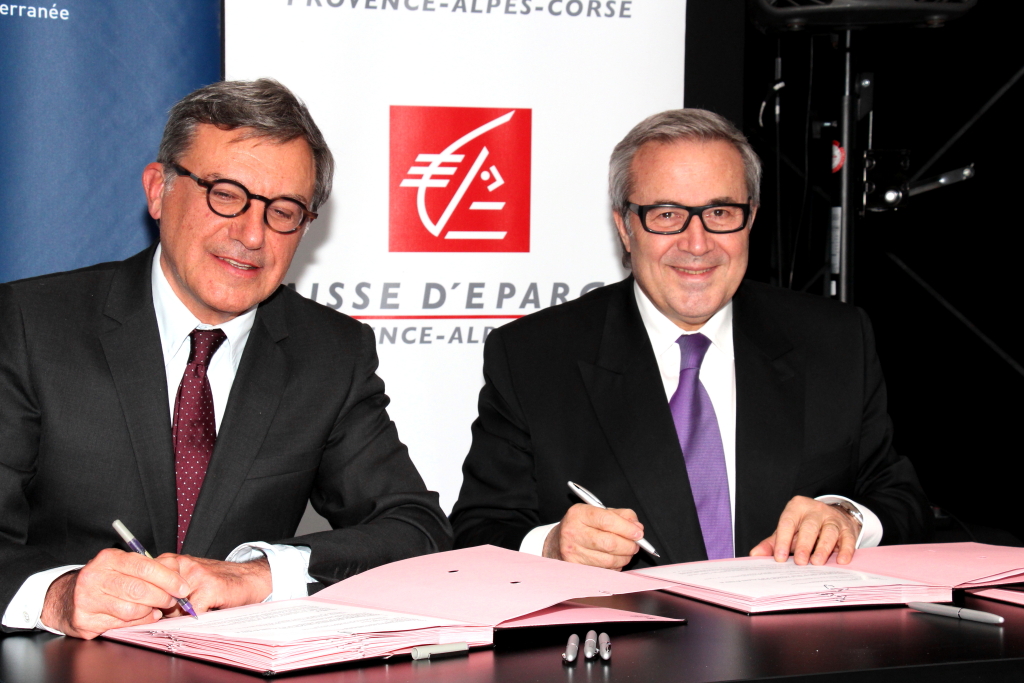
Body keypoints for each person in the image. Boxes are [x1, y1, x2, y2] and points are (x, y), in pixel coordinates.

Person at [0, 79, 452, 639]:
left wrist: (258, 575)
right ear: (159, 191)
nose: (252, 234)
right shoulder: (30, 323)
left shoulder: (330, 353)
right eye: (226, 194)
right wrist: (56, 595)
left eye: (284, 210)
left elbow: (417, 529)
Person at [450, 109, 930, 571]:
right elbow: (478, 531)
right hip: (626, 649)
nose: (697, 243)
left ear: (752, 217)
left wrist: (846, 518)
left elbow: (899, 496)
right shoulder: (533, 357)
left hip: (802, 648)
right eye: (666, 215)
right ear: (624, 225)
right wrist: (552, 546)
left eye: (720, 212)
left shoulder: (836, 339)